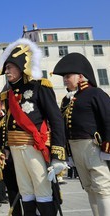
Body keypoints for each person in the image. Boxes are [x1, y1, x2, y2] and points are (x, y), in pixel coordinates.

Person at [0, 38, 67, 215]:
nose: (7, 71)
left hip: (35, 147)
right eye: (6, 68)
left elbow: (55, 119)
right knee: (25, 193)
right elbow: (9, 123)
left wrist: (58, 154)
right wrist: (7, 148)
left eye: (10, 67)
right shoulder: (8, 94)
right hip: (16, 149)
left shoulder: (40, 86)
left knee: (42, 191)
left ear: (21, 66)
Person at [53, 52, 110, 215]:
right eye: (63, 77)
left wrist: (107, 146)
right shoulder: (67, 99)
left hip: (93, 146)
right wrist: (67, 152)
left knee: (102, 187)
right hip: (75, 146)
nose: (64, 79)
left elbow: (108, 118)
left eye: (68, 76)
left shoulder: (95, 93)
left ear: (80, 76)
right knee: (89, 187)